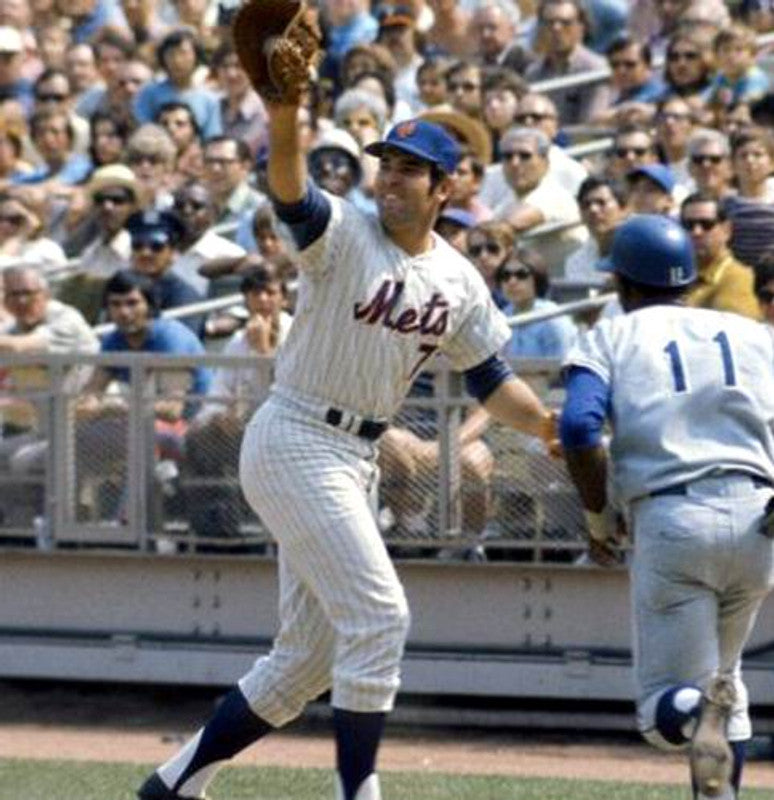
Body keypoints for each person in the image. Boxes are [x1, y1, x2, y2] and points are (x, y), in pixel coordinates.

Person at [136, 103, 556, 800]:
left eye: (410, 169)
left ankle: (173, 785)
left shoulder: (458, 279)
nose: (390, 178)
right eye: (385, 164)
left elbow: (490, 379)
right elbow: (290, 191)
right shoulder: (343, 232)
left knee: (306, 660)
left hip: (357, 455)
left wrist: (543, 426)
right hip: (297, 433)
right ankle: (358, 793)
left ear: (444, 187)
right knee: (380, 615)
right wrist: (282, 116)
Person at [559, 214, 774, 800]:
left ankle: (697, 709)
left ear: (621, 282)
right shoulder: (750, 332)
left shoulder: (610, 334)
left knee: (665, 712)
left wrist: (597, 517)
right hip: (758, 521)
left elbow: (578, 427)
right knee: (726, 683)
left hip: (674, 517)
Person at [680, 192, 760, 319]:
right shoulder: (677, 275)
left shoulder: (737, 279)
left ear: (726, 230)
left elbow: (734, 328)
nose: (696, 232)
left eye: (706, 224)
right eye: (688, 225)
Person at [499, 246, 576, 359]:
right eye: (505, 275)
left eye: (521, 274)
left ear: (537, 278)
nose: (512, 281)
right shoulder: (501, 317)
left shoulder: (552, 319)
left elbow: (563, 366)